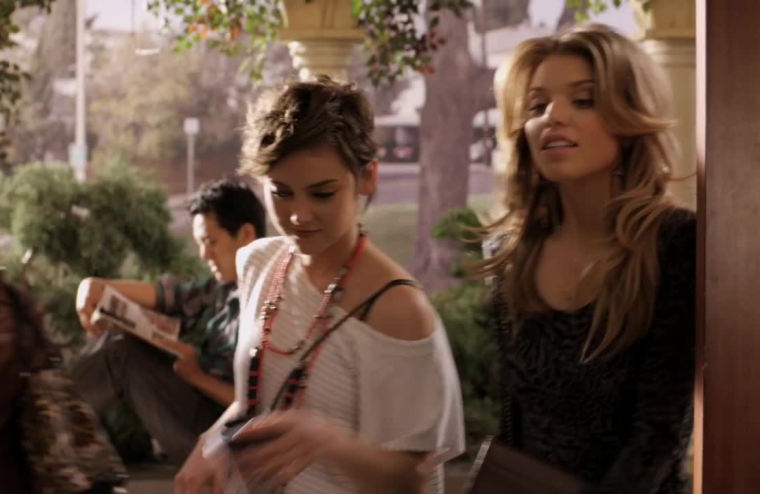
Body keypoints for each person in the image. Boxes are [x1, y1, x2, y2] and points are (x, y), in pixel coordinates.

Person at [173, 76, 465, 494]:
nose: (299, 215)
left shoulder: (397, 310)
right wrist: (211, 444)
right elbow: (252, 403)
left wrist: (326, 439)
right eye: (281, 192)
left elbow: (413, 480)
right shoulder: (260, 263)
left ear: (367, 178)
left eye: (322, 193)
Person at [477, 24, 696, 493]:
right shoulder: (509, 257)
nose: (553, 116)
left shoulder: (675, 243)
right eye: (536, 105)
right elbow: (515, 426)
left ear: (628, 119)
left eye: (583, 100)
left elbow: (659, 435)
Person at [72, 179, 266, 464]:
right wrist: (95, 287)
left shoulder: (270, 303)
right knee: (118, 338)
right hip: (195, 412)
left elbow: (265, 407)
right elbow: (162, 296)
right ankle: (46, 417)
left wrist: (197, 376)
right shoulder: (220, 290)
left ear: (246, 234)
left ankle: (44, 420)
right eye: (200, 244)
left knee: (121, 354)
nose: (204, 255)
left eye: (211, 242)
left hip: (229, 441)